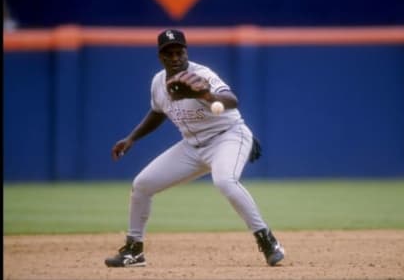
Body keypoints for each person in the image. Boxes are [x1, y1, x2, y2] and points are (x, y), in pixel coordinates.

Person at [104, 29, 285, 267]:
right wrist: (131, 138)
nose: (175, 57)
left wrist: (206, 94)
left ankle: (267, 240)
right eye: (169, 54)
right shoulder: (158, 82)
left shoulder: (202, 75)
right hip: (193, 147)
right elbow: (158, 112)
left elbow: (231, 100)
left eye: (180, 52)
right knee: (142, 185)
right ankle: (134, 250)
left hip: (227, 137)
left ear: (186, 52)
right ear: (161, 57)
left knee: (224, 181)